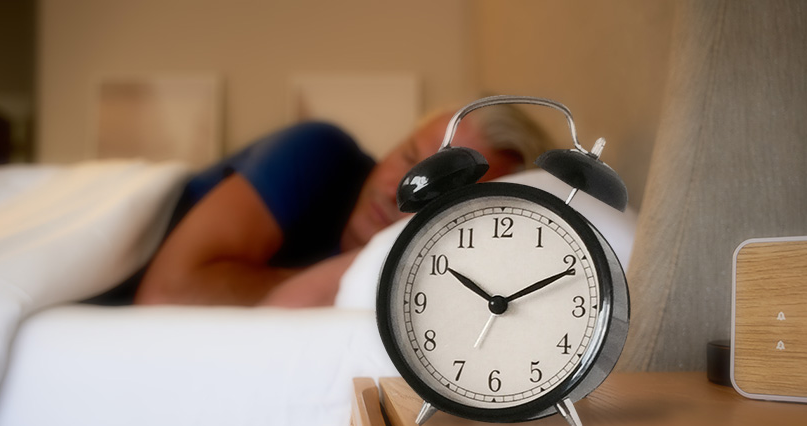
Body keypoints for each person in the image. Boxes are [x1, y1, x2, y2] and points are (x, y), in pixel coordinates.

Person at [132, 104, 551, 308]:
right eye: (408, 157)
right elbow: (165, 294)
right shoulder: (319, 152)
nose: (399, 189)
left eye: (437, 192)